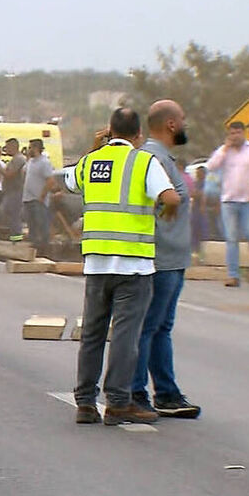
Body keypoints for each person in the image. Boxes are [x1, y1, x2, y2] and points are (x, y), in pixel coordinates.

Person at [66, 108, 180, 426]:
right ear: (139, 135)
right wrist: (166, 208)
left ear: (109, 131)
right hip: (134, 266)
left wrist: (94, 148)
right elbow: (171, 197)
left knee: (92, 333)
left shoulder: (92, 161)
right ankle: (117, 402)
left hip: (97, 262)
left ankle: (85, 403)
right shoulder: (144, 161)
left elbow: (72, 183)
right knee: (125, 336)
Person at [132, 100, 201, 419]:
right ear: (171, 124)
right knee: (148, 327)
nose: (185, 125)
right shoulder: (153, 159)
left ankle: (166, 392)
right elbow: (156, 207)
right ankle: (135, 392)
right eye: (182, 119)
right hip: (160, 259)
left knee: (159, 327)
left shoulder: (160, 158)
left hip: (172, 258)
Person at [206, 121, 249, 286]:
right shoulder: (224, 151)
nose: (235, 136)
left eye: (237, 133)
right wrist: (224, 149)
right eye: (231, 133)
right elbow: (211, 166)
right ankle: (233, 275)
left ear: (244, 133)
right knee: (231, 237)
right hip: (229, 201)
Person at [22, 139, 56, 254]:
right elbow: (24, 172)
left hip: (38, 200)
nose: (28, 150)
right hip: (28, 198)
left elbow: (50, 180)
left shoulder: (44, 162)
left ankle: (44, 249)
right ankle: (34, 248)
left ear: (36, 148)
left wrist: (42, 195)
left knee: (41, 224)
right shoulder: (31, 161)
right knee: (31, 224)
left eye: (30, 147)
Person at [0, 137, 27, 241]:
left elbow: (9, 174)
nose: (5, 150)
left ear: (13, 147)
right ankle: (14, 235)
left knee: (14, 214)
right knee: (8, 212)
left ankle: (16, 237)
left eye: (7, 147)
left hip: (15, 191)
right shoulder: (15, 159)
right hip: (11, 191)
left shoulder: (19, 159)